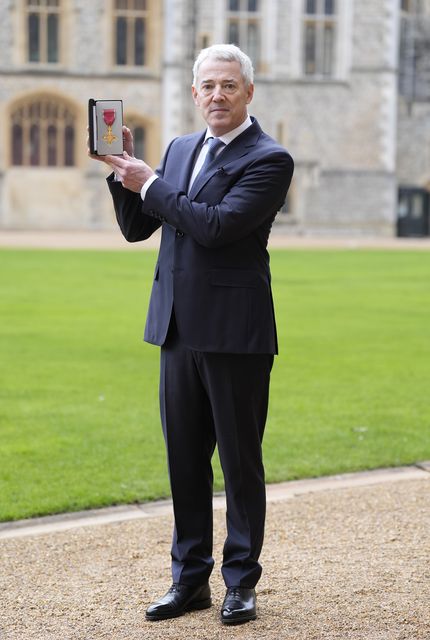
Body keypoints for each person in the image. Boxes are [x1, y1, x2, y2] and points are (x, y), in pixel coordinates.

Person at [88, 43, 293, 625]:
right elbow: (139, 229)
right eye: (207, 85)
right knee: (184, 462)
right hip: (176, 329)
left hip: (235, 334)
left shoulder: (269, 159)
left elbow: (217, 227)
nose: (217, 96)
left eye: (229, 85)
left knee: (239, 462)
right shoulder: (179, 149)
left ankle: (241, 583)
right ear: (194, 91)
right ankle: (190, 582)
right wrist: (121, 175)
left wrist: (150, 182)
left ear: (248, 92)